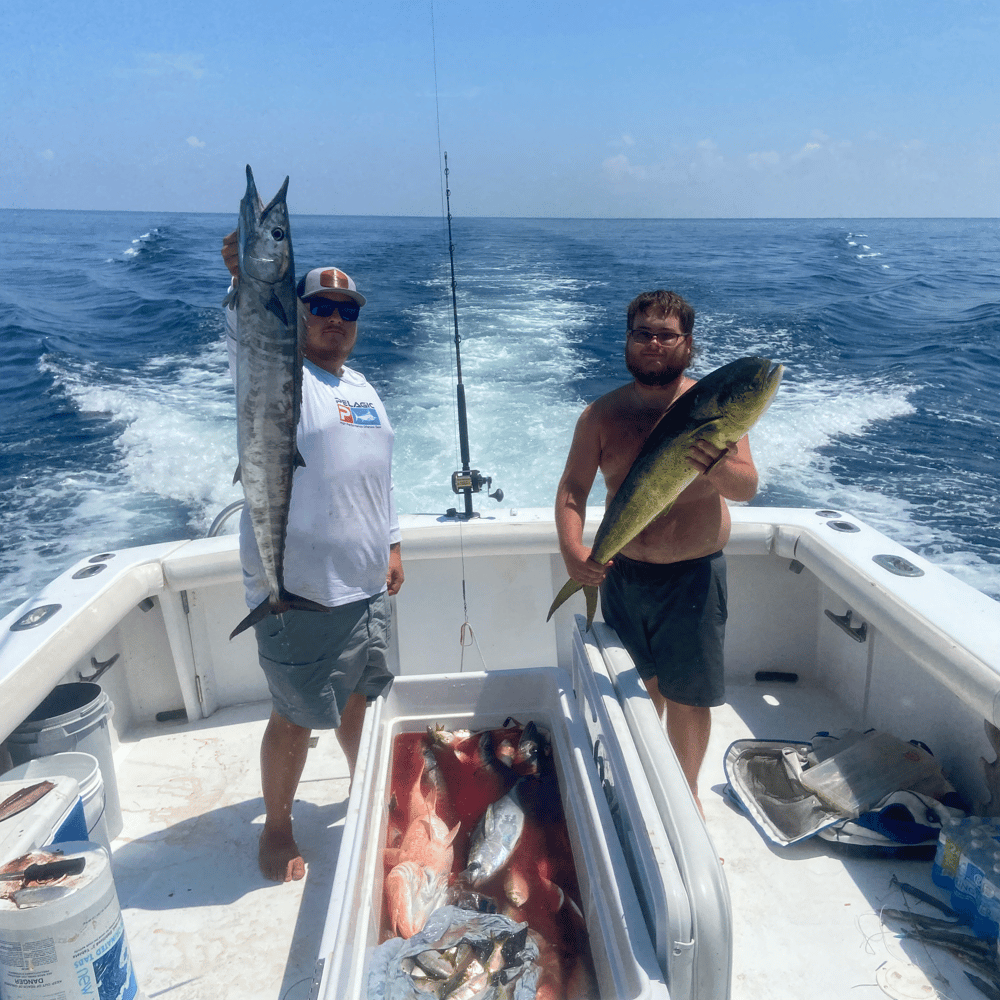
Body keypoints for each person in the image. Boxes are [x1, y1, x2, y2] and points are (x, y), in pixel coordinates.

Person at [221, 231, 404, 881]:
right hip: (294, 586)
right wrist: (247, 284)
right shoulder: (277, 371)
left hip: (364, 586)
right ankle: (277, 826)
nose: (333, 317)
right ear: (295, 312)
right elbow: (250, 339)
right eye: (320, 306)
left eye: (347, 309)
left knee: (361, 701)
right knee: (294, 716)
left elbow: (377, 475)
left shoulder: (362, 388)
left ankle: (372, 795)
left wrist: (392, 542)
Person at [554, 289, 758, 816]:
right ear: (627, 340)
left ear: (687, 344)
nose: (653, 344)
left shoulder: (714, 411)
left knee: (689, 698)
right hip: (624, 576)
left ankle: (685, 795)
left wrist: (717, 467)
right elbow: (573, 489)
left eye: (666, 335)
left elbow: (746, 487)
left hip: (694, 577)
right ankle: (645, 785)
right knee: (638, 691)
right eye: (642, 332)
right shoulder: (601, 415)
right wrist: (574, 550)